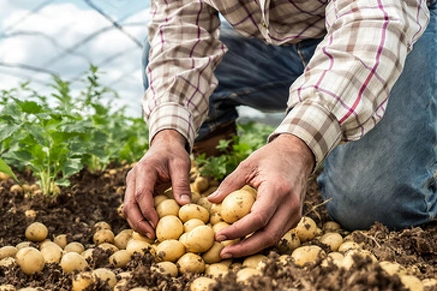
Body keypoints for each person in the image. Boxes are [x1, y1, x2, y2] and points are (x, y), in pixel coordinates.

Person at [123, 0, 437, 259]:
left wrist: (296, 146)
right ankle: (223, 172)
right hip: (287, 47)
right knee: (157, 51)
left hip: (397, 25)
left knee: (370, 206)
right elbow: (177, 34)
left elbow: (374, 21)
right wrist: (167, 136)